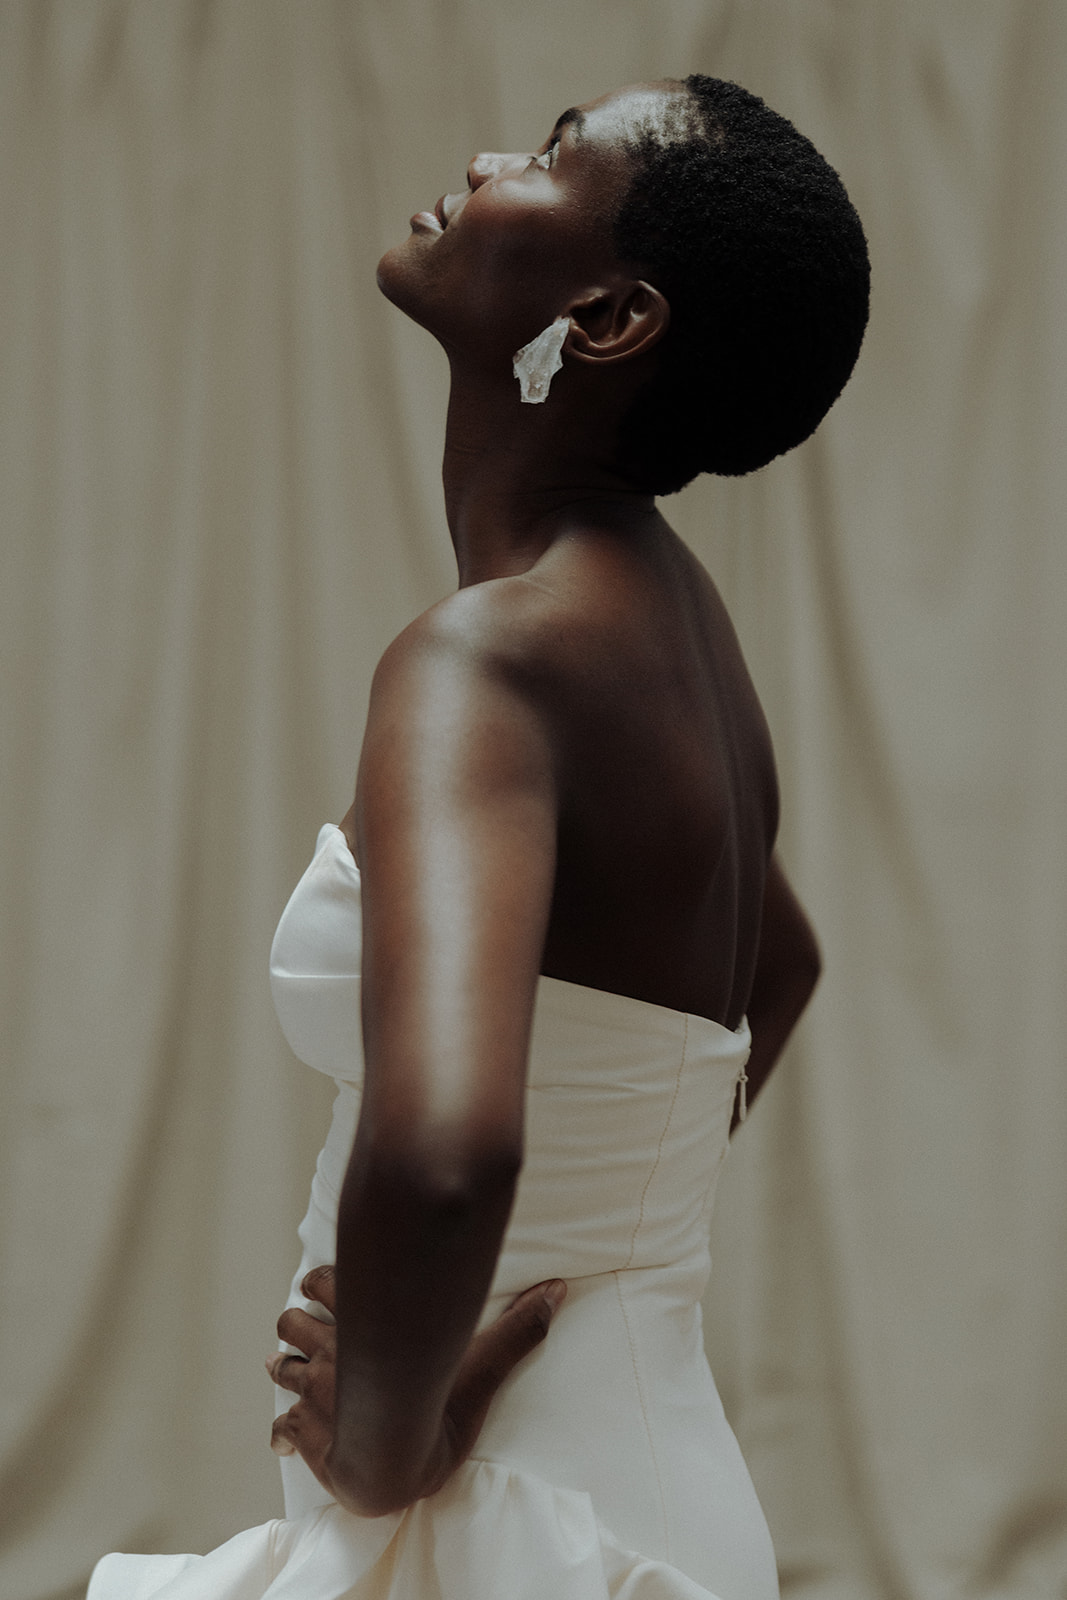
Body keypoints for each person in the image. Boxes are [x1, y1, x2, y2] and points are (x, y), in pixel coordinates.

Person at [89, 74, 868, 1600]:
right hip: (640, 1474)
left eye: (552, 153)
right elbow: (781, 959)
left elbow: (447, 1152)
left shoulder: (488, 658)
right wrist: (618, 1234)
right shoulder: (666, 622)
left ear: (610, 316)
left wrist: (382, 1445)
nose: (487, 159)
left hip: (520, 1511)